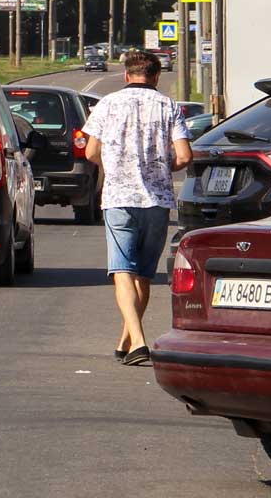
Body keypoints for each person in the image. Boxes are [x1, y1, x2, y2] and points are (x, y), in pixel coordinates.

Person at [82, 48, 192, 367]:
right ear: (156, 76)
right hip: (157, 201)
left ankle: (138, 340)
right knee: (143, 275)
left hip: (119, 199)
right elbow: (184, 156)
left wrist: (114, 166)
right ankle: (126, 341)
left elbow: (90, 152)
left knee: (122, 272)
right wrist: (163, 168)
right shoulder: (169, 106)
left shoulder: (108, 104)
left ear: (127, 75)